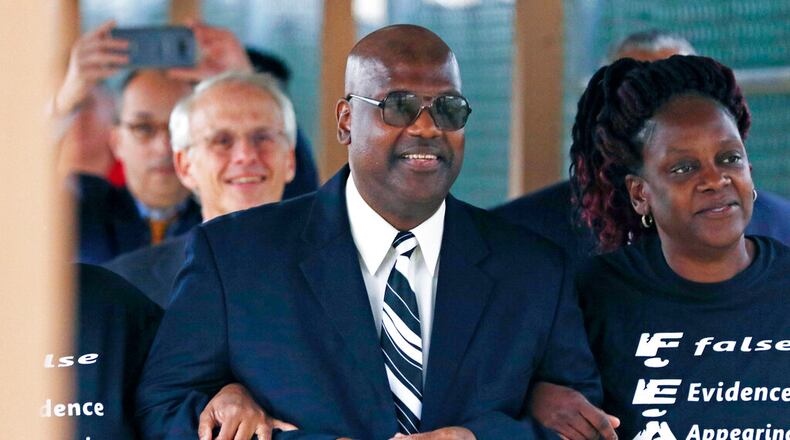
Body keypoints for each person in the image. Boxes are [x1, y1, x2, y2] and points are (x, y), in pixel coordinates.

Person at [136, 24, 602, 439]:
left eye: (448, 108)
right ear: (345, 121)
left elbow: (582, 419)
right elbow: (165, 408)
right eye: (398, 106)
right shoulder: (235, 255)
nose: (426, 127)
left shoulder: (534, 268)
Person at [533, 55, 790, 439]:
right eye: (684, 168)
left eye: (729, 158)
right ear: (640, 194)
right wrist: (535, 398)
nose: (715, 180)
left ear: (749, 172)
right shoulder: (592, 296)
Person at [493, 30, 790, 263]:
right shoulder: (515, 234)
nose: (658, 119)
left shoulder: (781, 229)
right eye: (630, 102)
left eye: (680, 97)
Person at [105, 71, 298, 308]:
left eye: (262, 137)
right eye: (222, 141)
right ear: (185, 166)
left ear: (289, 160)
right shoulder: (125, 285)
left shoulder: (344, 271)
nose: (245, 156)